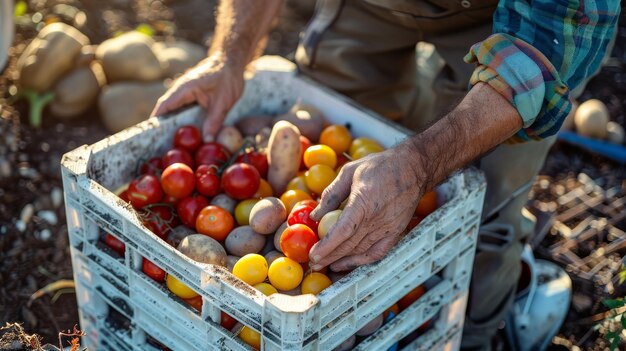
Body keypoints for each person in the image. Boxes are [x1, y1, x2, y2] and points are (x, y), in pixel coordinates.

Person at [151, 1, 619, 349]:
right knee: (340, 111)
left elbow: (551, 38)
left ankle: (481, 332)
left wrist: (419, 164)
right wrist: (230, 55)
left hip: (509, 19)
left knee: (480, 206)